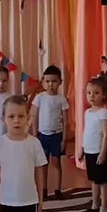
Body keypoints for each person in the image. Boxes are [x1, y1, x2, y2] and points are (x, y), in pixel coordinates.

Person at [30, 65, 69, 200]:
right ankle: (44, 189)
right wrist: (34, 135)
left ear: (60, 82)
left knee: (56, 163)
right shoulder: (39, 97)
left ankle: (58, 189)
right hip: (42, 136)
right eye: (47, 81)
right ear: (43, 82)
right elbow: (34, 117)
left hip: (56, 136)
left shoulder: (61, 99)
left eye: (54, 81)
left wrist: (64, 139)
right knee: (43, 164)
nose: (50, 84)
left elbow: (65, 121)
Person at [80, 77, 107, 212]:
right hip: (89, 151)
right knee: (93, 180)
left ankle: (104, 208)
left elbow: (106, 134)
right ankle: (94, 205)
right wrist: (82, 148)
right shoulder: (87, 113)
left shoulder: (104, 113)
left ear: (104, 95)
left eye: (96, 93)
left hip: (98, 152)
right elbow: (86, 131)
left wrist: (103, 152)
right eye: (89, 93)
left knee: (102, 182)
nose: (92, 96)